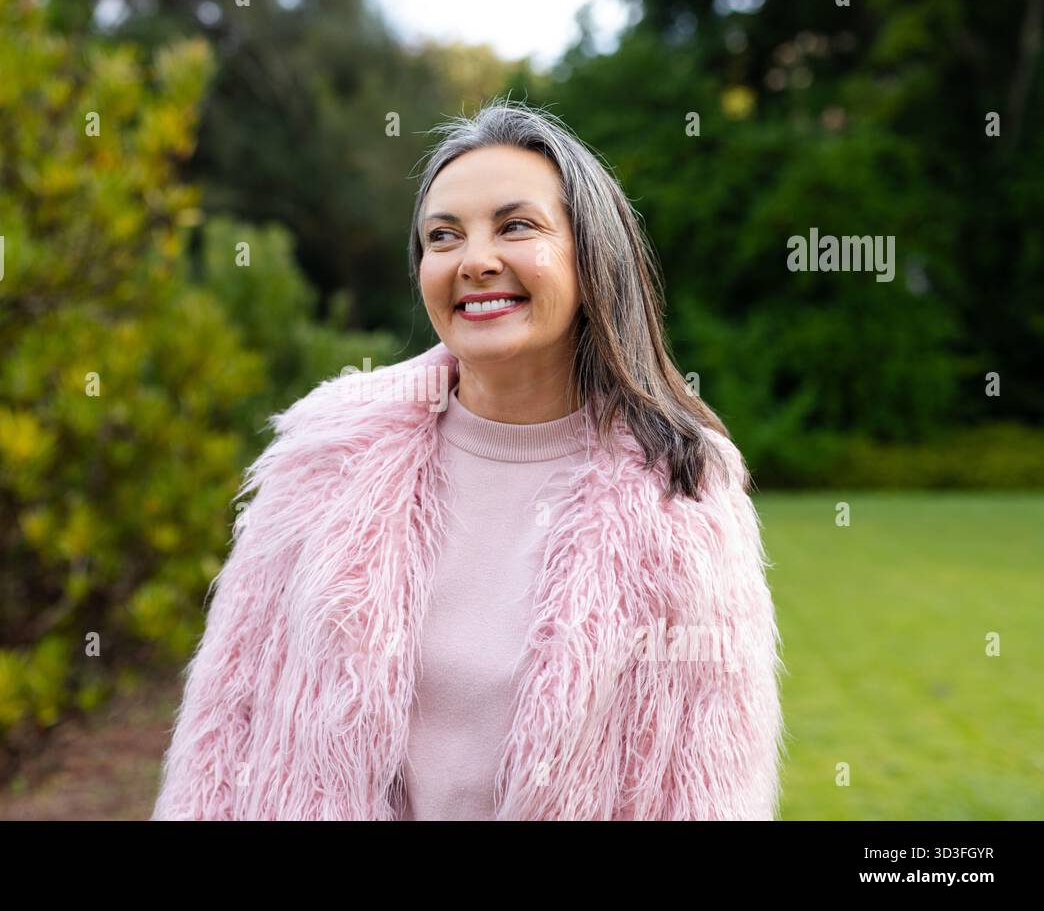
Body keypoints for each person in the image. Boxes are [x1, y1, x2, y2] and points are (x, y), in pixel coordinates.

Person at [152, 98, 787, 821]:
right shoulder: (324, 462)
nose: (475, 260)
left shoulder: (683, 498)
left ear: (592, 257)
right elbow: (222, 731)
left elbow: (710, 790)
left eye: (516, 226)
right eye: (443, 236)